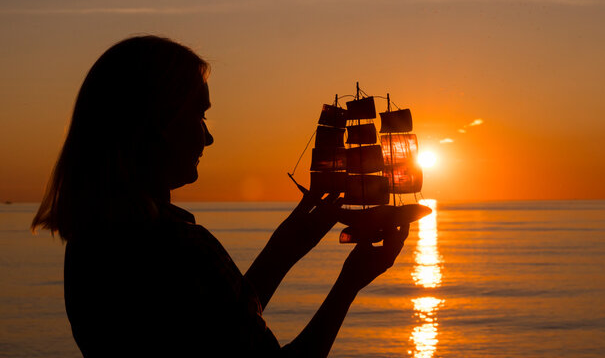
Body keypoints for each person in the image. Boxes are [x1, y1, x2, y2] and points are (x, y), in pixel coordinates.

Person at [32, 35, 430, 357]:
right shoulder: (181, 248)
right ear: (154, 125)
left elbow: (219, 327)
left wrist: (287, 246)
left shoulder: (90, 244)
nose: (208, 136)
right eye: (199, 115)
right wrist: (350, 280)